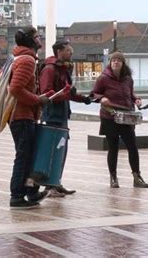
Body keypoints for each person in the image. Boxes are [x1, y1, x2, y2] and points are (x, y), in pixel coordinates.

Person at [39, 40, 92, 197]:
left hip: (62, 115)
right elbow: (46, 93)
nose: (71, 52)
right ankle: (49, 186)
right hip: (52, 116)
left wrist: (84, 99)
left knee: (61, 150)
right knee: (53, 151)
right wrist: (66, 93)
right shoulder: (50, 69)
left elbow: (67, 92)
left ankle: (56, 181)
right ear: (59, 51)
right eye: (68, 50)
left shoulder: (63, 69)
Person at [90, 51, 148, 189]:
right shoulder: (103, 78)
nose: (115, 62)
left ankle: (136, 176)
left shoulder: (128, 78)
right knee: (113, 147)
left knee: (132, 146)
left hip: (127, 116)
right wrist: (101, 98)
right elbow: (94, 94)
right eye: (113, 60)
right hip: (110, 116)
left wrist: (136, 99)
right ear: (110, 63)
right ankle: (113, 178)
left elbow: (130, 93)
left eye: (119, 60)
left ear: (123, 63)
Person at [7, 26, 51, 208]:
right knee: (24, 156)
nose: (40, 38)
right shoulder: (26, 61)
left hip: (23, 116)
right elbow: (15, 89)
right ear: (31, 40)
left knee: (29, 155)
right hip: (22, 116)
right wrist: (37, 100)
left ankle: (31, 192)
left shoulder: (18, 58)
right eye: (37, 36)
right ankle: (17, 195)